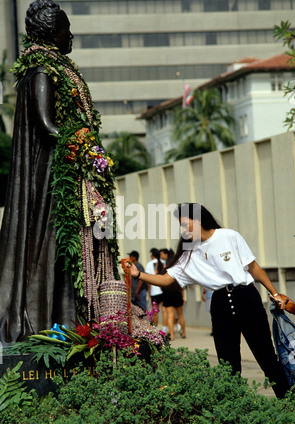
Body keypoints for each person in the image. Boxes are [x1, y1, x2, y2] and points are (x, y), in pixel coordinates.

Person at [0, 0, 120, 345]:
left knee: (68, 244)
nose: (72, 35)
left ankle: (67, 318)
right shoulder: (42, 71)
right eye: (67, 29)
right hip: (54, 173)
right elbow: (46, 123)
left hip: (60, 166)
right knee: (59, 240)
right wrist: (83, 148)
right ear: (53, 33)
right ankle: (53, 320)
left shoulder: (52, 68)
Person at [130, 203, 291, 398]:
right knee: (227, 364)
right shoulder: (188, 253)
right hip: (220, 304)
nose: (182, 230)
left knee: (266, 357)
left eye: (184, 224)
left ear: (198, 220)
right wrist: (138, 274)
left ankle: (287, 401)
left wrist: (275, 293)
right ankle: (234, 407)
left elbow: (254, 268)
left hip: (246, 298)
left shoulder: (228, 236)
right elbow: (166, 279)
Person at [160, 248, 186, 340]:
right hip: (177, 292)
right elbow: (182, 284)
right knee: (180, 315)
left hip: (167, 293)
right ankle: (183, 333)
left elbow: (161, 282)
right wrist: (183, 296)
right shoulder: (178, 269)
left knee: (170, 315)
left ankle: (172, 335)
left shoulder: (165, 269)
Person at [145, 248, 167, 329]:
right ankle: (164, 328)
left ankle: (156, 328)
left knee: (155, 311)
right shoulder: (164, 263)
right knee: (164, 310)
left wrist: (149, 291)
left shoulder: (149, 264)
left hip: (155, 291)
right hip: (164, 290)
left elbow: (149, 279)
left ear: (152, 255)